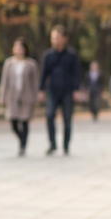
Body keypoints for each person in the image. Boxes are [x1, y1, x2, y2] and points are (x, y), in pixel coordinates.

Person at [38, 24, 81, 155]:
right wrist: (40, 90)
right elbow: (44, 73)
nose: (55, 40)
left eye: (57, 37)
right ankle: (52, 144)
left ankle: (66, 146)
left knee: (67, 119)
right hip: (52, 90)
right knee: (50, 115)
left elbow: (77, 73)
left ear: (65, 38)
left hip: (67, 91)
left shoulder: (72, 55)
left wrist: (76, 90)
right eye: (53, 37)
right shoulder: (48, 55)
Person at [0, 38, 39, 156]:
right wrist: (2, 96)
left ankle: (23, 146)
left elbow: (35, 82)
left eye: (21, 47)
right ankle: (22, 139)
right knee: (14, 122)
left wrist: (36, 97)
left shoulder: (31, 64)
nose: (18, 50)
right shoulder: (9, 63)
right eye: (16, 47)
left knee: (25, 121)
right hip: (12, 96)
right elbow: (4, 81)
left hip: (27, 96)